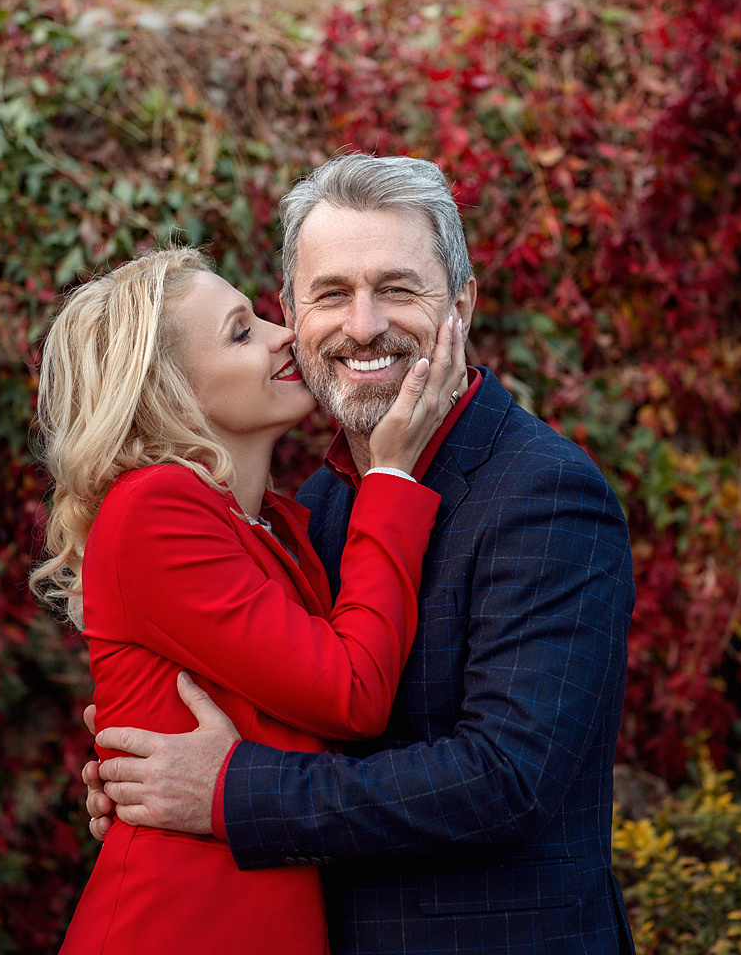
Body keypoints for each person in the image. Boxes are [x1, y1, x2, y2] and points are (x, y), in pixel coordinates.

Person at [85, 153, 638, 955]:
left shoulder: (545, 492)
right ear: (293, 314)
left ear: (462, 305)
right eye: (333, 294)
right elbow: (278, 692)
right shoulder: (321, 503)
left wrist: (228, 792)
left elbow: (506, 779)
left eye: (398, 289)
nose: (365, 325)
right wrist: (137, 754)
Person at [30, 242, 466, 955]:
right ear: (168, 389)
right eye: (242, 331)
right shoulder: (153, 508)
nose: (284, 334)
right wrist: (392, 476)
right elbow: (351, 690)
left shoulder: (286, 522)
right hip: (178, 924)